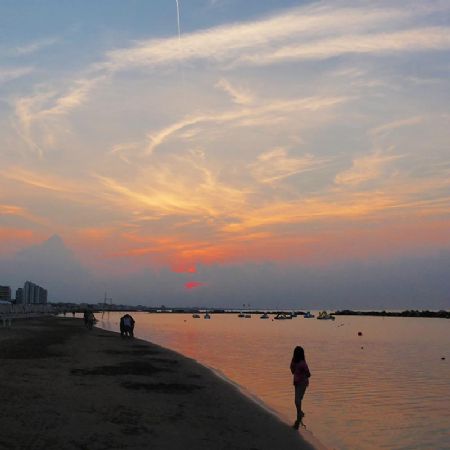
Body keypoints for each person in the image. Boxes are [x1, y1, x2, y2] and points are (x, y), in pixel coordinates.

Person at [290, 346, 311, 429]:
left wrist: (302, 372)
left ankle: (299, 413)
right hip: (297, 383)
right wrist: (294, 367)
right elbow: (292, 371)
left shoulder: (303, 363)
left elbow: (308, 373)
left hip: (303, 383)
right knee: (297, 399)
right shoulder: (294, 362)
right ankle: (299, 413)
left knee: (298, 399)